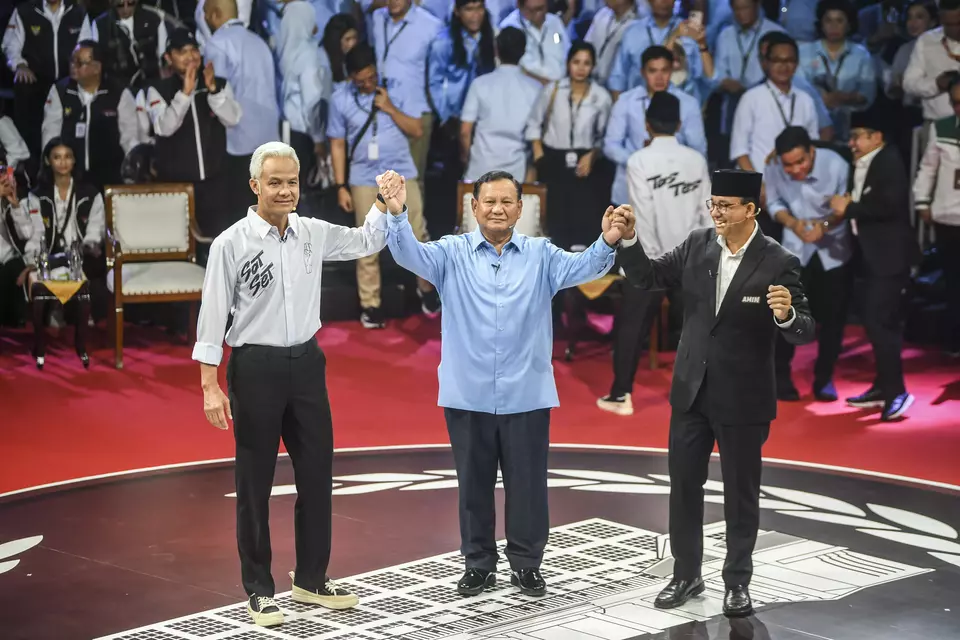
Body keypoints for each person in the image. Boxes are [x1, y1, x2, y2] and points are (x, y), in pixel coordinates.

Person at [380, 168, 626, 597]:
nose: (497, 209)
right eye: (488, 201)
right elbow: (406, 255)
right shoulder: (450, 253)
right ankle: (478, 563)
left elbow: (585, 268)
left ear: (520, 208)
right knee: (472, 484)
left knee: (528, 486)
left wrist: (606, 240)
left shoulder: (541, 254)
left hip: (526, 392)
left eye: (506, 202)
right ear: (473, 207)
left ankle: (527, 564)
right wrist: (397, 211)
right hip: (467, 392)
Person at [192, 141, 388, 627]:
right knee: (254, 483)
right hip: (254, 368)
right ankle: (259, 588)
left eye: (292, 182)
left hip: (307, 365)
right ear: (255, 185)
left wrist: (384, 205)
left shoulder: (312, 233)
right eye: (275, 182)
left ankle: (312, 578)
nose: (285, 191)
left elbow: (366, 241)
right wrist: (209, 386)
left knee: (318, 475)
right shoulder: (230, 243)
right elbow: (211, 317)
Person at [617, 169, 815, 617]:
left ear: (751, 209)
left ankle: (737, 581)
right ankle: (686, 574)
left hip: (744, 399)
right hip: (691, 393)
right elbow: (647, 277)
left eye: (726, 206)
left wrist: (786, 317)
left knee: (741, 494)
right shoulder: (696, 244)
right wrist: (629, 242)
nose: (717, 212)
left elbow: (804, 330)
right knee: (684, 486)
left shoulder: (779, 260)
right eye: (714, 204)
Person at [598, 92, 711, 416]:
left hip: (651, 259)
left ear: (647, 125)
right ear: (679, 123)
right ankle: (698, 395)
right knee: (697, 327)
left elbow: (644, 214)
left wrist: (662, 260)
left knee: (632, 326)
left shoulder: (639, 161)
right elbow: (707, 212)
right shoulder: (696, 160)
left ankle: (621, 396)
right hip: (693, 256)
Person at [328, 43, 438, 329]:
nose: (367, 84)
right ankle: (371, 305)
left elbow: (416, 130)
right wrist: (341, 185)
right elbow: (337, 144)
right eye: (360, 80)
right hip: (364, 178)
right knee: (367, 242)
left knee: (418, 234)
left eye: (371, 77)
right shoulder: (340, 99)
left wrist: (389, 107)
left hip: (402, 175)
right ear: (350, 77)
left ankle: (426, 288)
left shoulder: (398, 90)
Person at [829, 111, 918, 420]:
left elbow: (888, 205)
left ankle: (897, 392)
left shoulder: (889, 161)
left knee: (881, 323)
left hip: (889, 257)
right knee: (875, 321)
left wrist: (849, 207)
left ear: (877, 137)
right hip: (870, 255)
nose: (852, 142)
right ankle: (883, 386)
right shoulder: (868, 160)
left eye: (858, 136)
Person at [765, 126, 852, 401]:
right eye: (788, 165)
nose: (794, 170)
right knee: (786, 315)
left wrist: (824, 226)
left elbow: (846, 205)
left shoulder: (836, 165)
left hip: (833, 250)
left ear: (811, 152)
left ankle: (824, 378)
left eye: (800, 162)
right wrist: (792, 222)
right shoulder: (774, 166)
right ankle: (780, 376)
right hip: (794, 249)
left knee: (833, 319)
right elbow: (774, 201)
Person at [527, 41, 613, 251]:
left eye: (586, 63)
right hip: (552, 157)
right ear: (568, 63)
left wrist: (592, 155)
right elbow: (534, 123)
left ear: (593, 66)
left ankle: (580, 268)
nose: (581, 68)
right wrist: (539, 156)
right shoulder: (552, 90)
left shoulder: (601, 96)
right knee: (554, 215)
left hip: (586, 160)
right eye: (576, 62)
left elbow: (605, 135)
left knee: (582, 213)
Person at [42, 40, 141, 192]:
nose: (73, 65)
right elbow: (50, 132)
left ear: (97, 68)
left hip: (110, 175)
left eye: (80, 62)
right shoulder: (60, 91)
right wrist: (50, 168)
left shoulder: (119, 93)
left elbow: (130, 137)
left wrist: (133, 171)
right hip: (71, 175)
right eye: (72, 60)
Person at [914, 80, 960, 358]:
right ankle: (954, 341)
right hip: (947, 219)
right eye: (955, 102)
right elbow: (927, 168)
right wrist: (922, 202)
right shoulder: (941, 128)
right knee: (953, 284)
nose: (958, 107)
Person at [460, 27, 542, 182]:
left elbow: (465, 131)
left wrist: (466, 159)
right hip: (517, 174)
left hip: (480, 169)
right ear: (524, 51)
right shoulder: (536, 88)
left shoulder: (479, 84)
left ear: (496, 49)